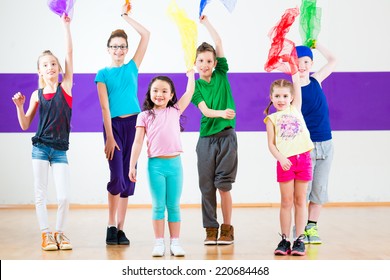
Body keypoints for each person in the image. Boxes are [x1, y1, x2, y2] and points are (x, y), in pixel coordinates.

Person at [11, 14, 73, 251]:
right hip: (40, 148)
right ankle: (46, 234)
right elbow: (25, 124)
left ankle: (60, 232)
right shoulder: (37, 95)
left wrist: (65, 26)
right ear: (39, 71)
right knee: (40, 194)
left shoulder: (65, 88)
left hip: (59, 150)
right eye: (45, 65)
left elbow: (69, 53)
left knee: (64, 196)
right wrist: (19, 107)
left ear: (59, 68)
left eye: (53, 64)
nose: (50, 67)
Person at [95, 3, 150, 245]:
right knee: (116, 176)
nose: (119, 49)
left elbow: (146, 35)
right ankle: (109, 224)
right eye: (115, 46)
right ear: (108, 49)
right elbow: (105, 108)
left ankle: (120, 228)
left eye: (122, 46)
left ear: (127, 50)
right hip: (114, 128)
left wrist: (126, 18)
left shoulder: (132, 67)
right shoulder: (102, 74)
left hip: (135, 127)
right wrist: (109, 136)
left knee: (128, 179)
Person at [129, 70, 195, 257]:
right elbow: (138, 142)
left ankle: (175, 242)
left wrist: (191, 74)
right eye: (156, 90)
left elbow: (189, 92)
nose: (160, 94)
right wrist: (132, 165)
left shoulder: (175, 110)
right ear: (150, 93)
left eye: (165, 91)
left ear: (172, 95)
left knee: (173, 205)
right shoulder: (144, 116)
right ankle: (159, 242)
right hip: (155, 167)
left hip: (175, 165)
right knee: (158, 205)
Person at [191, 15, 237, 245]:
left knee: (223, 185)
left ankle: (227, 229)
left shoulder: (221, 73)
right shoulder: (195, 87)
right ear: (196, 62)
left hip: (226, 138)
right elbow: (206, 111)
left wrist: (206, 22)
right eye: (201, 61)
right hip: (206, 140)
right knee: (206, 187)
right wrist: (222, 113)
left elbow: (218, 41)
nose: (206, 64)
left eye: (209, 60)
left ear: (215, 63)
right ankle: (211, 228)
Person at [264, 71, 314, 256]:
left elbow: (296, 83)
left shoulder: (296, 109)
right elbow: (271, 144)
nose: (281, 99)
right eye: (277, 96)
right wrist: (281, 158)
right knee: (286, 201)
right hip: (285, 162)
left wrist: (292, 68)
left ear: (292, 97)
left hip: (304, 161)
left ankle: (299, 239)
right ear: (271, 97)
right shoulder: (272, 119)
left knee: (301, 200)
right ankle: (285, 239)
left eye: (285, 96)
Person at [295, 42, 337, 244]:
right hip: (305, 147)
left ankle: (312, 226)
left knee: (319, 189)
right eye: (297, 62)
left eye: (305, 61)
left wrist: (317, 44)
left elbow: (333, 60)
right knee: (303, 190)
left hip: (326, 144)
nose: (302, 65)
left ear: (311, 63)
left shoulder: (316, 80)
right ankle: (300, 227)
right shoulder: (292, 89)